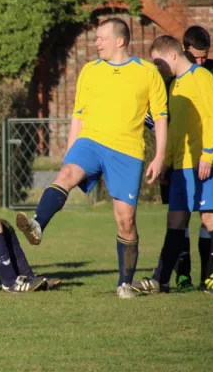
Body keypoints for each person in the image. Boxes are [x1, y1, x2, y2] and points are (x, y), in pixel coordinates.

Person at [15, 18, 168, 299]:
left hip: (126, 151)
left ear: (120, 41)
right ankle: (37, 224)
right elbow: (79, 114)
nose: (96, 42)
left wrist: (159, 156)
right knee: (65, 176)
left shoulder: (147, 73)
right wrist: (71, 152)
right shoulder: (90, 70)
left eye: (101, 38)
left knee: (126, 220)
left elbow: (160, 117)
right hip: (91, 142)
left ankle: (124, 283)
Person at [132, 35, 213, 295]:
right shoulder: (174, 86)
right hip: (181, 167)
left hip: (204, 163)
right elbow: (174, 131)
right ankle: (160, 280)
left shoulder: (202, 76)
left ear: (171, 55)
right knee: (176, 220)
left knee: (209, 217)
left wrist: (207, 154)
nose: (157, 68)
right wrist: (166, 163)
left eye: (158, 62)